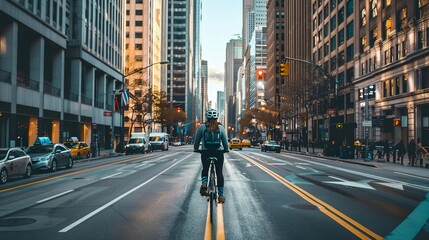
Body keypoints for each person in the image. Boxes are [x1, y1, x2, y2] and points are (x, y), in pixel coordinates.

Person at [193, 109, 229, 204]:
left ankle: (204, 184)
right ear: (216, 118)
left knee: (205, 168)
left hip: (206, 152)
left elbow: (196, 140)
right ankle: (220, 196)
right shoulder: (221, 128)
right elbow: (225, 141)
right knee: (219, 173)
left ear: (207, 117)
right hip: (218, 152)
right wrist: (226, 149)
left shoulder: (202, 127)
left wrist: (196, 148)